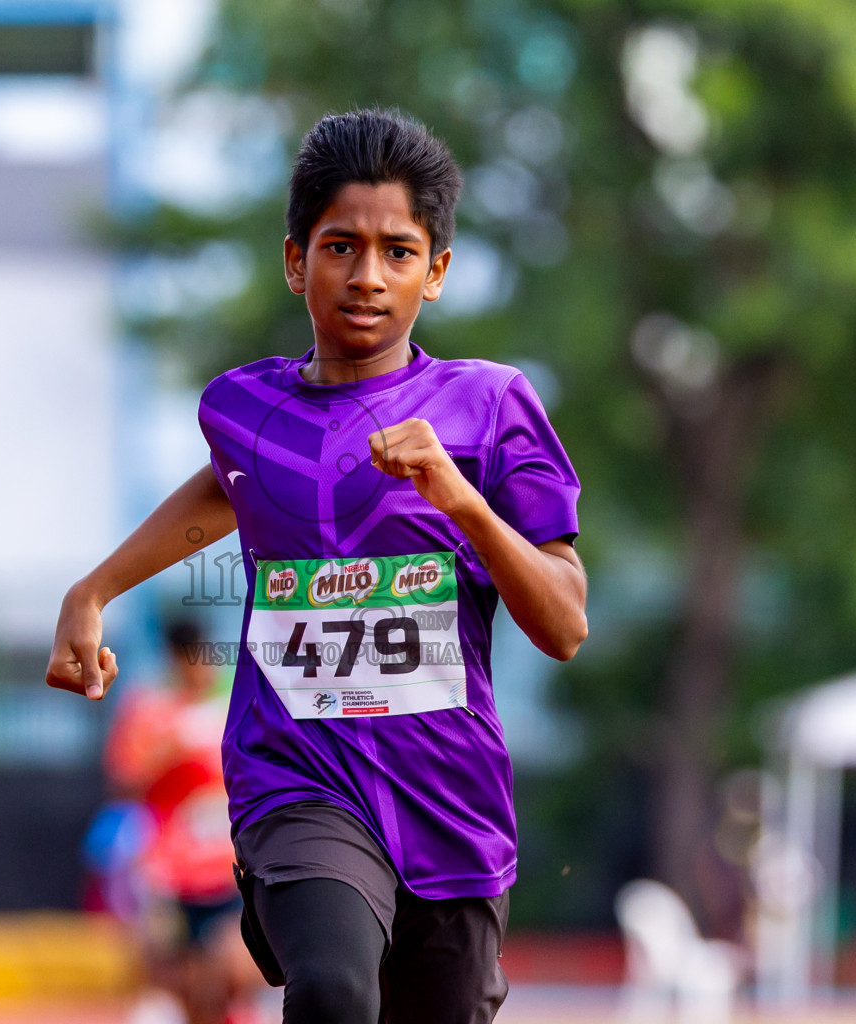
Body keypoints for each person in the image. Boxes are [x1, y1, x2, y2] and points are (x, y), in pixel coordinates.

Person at [49, 108, 587, 1024]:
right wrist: (92, 590)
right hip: (297, 781)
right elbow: (227, 487)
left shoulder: (492, 409)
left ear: (437, 272)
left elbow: (564, 623)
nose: (368, 276)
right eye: (341, 246)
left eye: (399, 251)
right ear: (296, 261)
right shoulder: (244, 410)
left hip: (449, 805)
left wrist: (463, 503)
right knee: (334, 992)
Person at [100, 620, 262, 1024]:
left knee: (229, 971)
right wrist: (170, 748)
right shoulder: (151, 711)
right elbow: (124, 779)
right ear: (174, 659)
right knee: (169, 974)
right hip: (169, 870)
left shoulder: (232, 703)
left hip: (227, 868)